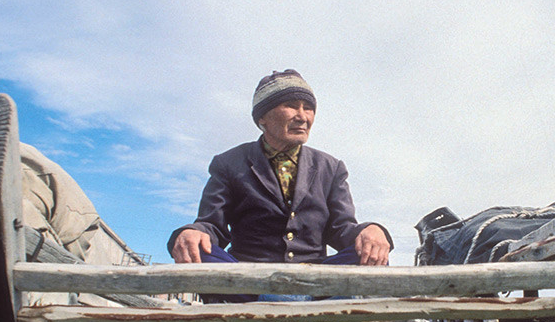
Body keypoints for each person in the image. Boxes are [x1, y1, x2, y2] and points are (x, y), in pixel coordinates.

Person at [168, 69, 392, 270]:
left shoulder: (331, 168)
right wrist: (191, 232)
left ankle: (284, 300)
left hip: (314, 276)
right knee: (200, 251)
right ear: (263, 117)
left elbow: (341, 228)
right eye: (291, 106)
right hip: (248, 276)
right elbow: (211, 226)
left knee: (375, 252)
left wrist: (371, 230)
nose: (303, 116)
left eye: (309, 108)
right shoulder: (228, 163)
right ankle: (293, 303)